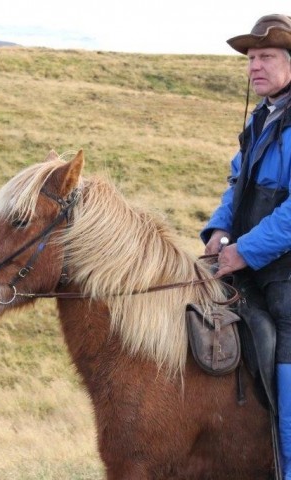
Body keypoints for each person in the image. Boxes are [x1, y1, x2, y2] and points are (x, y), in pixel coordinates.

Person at [200, 14, 291, 479]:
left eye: (267, 56)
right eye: (252, 58)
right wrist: (218, 231)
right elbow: (237, 184)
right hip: (253, 264)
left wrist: (245, 251)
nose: (256, 66)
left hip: (286, 274)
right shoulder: (261, 119)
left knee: (283, 341)